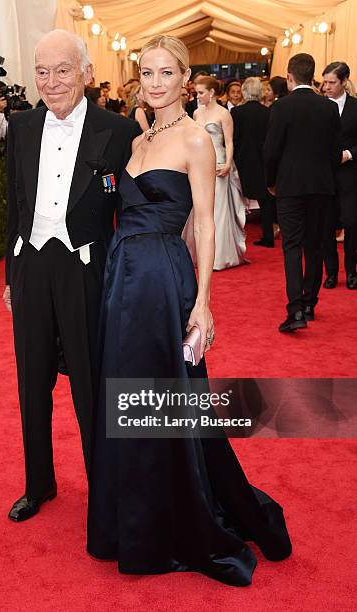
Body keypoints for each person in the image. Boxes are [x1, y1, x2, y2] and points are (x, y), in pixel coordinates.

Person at [87, 34, 291, 587]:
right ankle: (131, 516)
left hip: (160, 278)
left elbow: (203, 223)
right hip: (120, 278)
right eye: (146, 73)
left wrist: (203, 303)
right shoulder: (137, 139)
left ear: (184, 79)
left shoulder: (196, 139)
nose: (155, 83)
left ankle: (177, 517)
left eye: (165, 74)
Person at [4, 29, 140, 522]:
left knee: (89, 385)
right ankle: (37, 484)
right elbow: (14, 205)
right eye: (42, 71)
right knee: (31, 381)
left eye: (63, 70)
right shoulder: (20, 127)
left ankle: (104, 486)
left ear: (85, 72)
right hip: (31, 266)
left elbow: (132, 213)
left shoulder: (118, 130)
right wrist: (9, 273)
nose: (52, 81)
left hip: (86, 268)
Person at [264, 53, 341, 332]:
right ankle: (310, 303)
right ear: (314, 76)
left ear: (290, 76)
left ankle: (295, 310)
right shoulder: (329, 108)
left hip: (290, 187)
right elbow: (334, 153)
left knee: (292, 247)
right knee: (315, 245)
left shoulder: (281, 107)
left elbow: (271, 151)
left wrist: (270, 182)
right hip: (321, 187)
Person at [191, 76, 248, 270]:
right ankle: (202, 254)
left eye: (200, 92)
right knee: (200, 208)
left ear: (212, 92)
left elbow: (230, 142)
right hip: (200, 165)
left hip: (219, 164)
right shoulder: (197, 113)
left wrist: (227, 164)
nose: (197, 96)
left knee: (219, 210)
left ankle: (220, 256)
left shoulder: (224, 114)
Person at [321, 61, 357, 290]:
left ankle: (352, 270)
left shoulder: (355, 107)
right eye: (324, 82)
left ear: (344, 81)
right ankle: (331, 272)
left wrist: (349, 154)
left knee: (352, 224)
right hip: (323, 176)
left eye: (332, 82)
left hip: (351, 176)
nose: (326, 87)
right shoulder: (319, 107)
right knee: (325, 226)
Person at [232, 77, 275, 247]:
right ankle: (268, 236)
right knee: (265, 201)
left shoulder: (237, 112)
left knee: (236, 198)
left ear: (244, 91)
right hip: (263, 160)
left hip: (243, 160)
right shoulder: (268, 112)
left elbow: (234, 139)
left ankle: (236, 235)